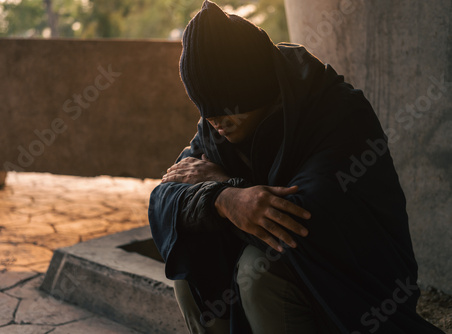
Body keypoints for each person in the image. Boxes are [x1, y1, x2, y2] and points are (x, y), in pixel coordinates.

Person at [148, 1, 445, 333]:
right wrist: (222, 197)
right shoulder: (216, 125)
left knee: (257, 270)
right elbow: (164, 198)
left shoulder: (337, 113)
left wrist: (225, 184)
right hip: (288, 266)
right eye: (206, 110)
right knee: (187, 261)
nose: (215, 122)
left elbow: (299, 219)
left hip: (354, 282)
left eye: (223, 108)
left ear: (255, 87)